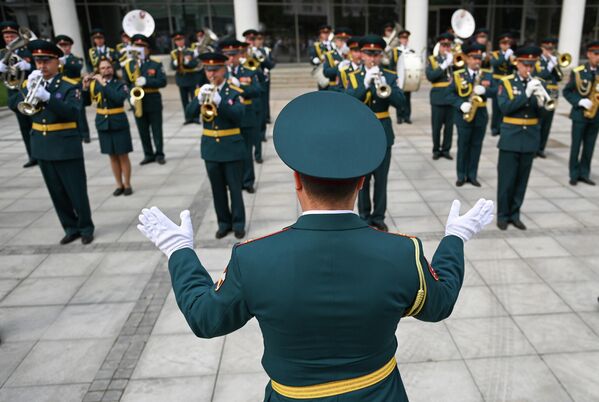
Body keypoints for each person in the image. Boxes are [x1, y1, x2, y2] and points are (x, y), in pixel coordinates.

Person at [137, 90, 494, 402]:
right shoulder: (403, 254)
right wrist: (455, 239)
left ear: (296, 181)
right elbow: (439, 304)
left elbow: (206, 319)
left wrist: (179, 251)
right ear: (362, 183)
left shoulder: (254, 259)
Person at [10, 39, 94, 244]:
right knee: (56, 192)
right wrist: (23, 89)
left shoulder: (68, 86)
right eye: (38, 61)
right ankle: (70, 226)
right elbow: (15, 106)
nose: (42, 66)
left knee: (76, 190)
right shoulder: (31, 82)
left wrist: (48, 97)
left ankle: (85, 227)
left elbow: (73, 112)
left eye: (46, 61)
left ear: (58, 62)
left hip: (66, 146)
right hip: (42, 145)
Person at [345, 35, 406, 232]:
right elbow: (348, 102)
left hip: (383, 133)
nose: (373, 58)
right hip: (361, 133)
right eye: (369, 53)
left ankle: (378, 216)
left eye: (377, 54)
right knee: (362, 179)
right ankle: (363, 216)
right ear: (361, 54)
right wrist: (364, 83)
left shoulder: (389, 76)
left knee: (381, 179)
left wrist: (385, 88)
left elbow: (401, 103)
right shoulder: (353, 76)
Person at [185, 52, 246, 239]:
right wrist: (198, 100)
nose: (211, 74)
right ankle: (223, 223)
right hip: (211, 148)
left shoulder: (234, 92)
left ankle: (238, 223)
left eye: (215, 70)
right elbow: (188, 115)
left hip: (231, 147)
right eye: (208, 70)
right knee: (217, 189)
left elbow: (239, 116)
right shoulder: (201, 91)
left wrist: (220, 103)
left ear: (224, 69)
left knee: (235, 188)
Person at [496, 46, 548, 231]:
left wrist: (542, 103)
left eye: (532, 65)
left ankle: (515, 214)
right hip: (511, 138)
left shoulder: (538, 82)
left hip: (530, 138)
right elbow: (505, 108)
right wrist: (526, 94)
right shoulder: (507, 83)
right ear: (517, 63)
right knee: (506, 180)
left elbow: (543, 114)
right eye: (525, 64)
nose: (528, 68)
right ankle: (502, 215)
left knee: (521, 181)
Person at [82, 58, 133, 196]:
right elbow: (85, 102)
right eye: (103, 68)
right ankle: (119, 184)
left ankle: (127, 183)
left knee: (123, 154)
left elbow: (118, 98)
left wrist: (104, 84)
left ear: (113, 69)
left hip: (118, 122)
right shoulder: (95, 85)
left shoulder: (120, 84)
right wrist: (85, 88)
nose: (106, 70)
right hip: (103, 123)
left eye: (108, 67)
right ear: (98, 70)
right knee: (112, 156)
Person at [447, 43, 496, 187]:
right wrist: (460, 104)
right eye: (474, 58)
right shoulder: (457, 75)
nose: (477, 61)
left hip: (480, 115)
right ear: (467, 59)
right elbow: (448, 95)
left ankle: (472, 175)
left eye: (479, 58)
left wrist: (486, 91)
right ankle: (461, 175)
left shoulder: (486, 74)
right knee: (463, 146)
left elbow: (497, 92)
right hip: (464, 116)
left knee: (476, 146)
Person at [221, 38, 262, 193]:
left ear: (239, 55)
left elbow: (257, 90)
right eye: (227, 55)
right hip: (227, 117)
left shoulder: (248, 71)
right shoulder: (220, 73)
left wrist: (240, 88)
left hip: (245, 116)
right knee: (230, 153)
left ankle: (248, 181)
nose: (230, 58)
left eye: (233, 54)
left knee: (246, 151)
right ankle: (233, 182)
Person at [123, 34, 167, 165]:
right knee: (142, 130)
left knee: (156, 129)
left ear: (148, 49)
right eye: (137, 46)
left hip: (152, 99)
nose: (140, 49)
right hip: (137, 101)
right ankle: (148, 154)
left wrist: (146, 81)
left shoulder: (156, 64)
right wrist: (129, 97)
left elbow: (163, 81)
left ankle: (159, 154)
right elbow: (125, 84)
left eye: (143, 47)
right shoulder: (128, 65)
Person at [563, 41, 599, 186]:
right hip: (579, 115)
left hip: (596, 115)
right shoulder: (578, 71)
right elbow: (566, 91)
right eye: (596, 54)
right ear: (588, 54)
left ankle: (584, 173)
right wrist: (579, 101)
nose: (598, 57)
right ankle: (574, 173)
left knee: (589, 146)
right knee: (576, 145)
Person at [0, 21, 35, 167]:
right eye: (6, 36)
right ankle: (32, 156)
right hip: (14, 93)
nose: (9, 39)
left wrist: (28, 66)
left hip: (29, 91)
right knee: (24, 127)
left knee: (35, 124)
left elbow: (40, 68)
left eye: (11, 36)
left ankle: (41, 153)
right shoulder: (2, 53)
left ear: (18, 36)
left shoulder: (28, 50)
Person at [55, 34, 91, 144]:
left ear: (70, 46)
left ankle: (85, 134)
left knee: (80, 110)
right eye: (61, 45)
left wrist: (64, 61)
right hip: (61, 89)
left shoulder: (76, 59)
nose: (64, 48)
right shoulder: (56, 60)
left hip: (75, 87)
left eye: (66, 45)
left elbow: (77, 66)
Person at [426, 33, 455, 160]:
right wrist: (444, 65)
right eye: (444, 45)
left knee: (449, 127)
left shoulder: (455, 59)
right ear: (439, 46)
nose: (446, 48)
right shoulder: (432, 60)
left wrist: (453, 63)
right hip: (438, 97)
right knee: (436, 127)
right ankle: (436, 150)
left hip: (452, 97)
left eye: (448, 46)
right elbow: (430, 76)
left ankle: (446, 149)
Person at [533, 38, 562, 159]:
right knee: (539, 121)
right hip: (542, 92)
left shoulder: (554, 61)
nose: (549, 51)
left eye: (551, 49)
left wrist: (556, 66)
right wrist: (550, 66)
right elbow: (541, 75)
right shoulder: (538, 61)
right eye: (547, 49)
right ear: (542, 49)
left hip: (553, 93)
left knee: (547, 123)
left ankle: (541, 148)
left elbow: (560, 77)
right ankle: (534, 148)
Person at [490, 32, 516, 137]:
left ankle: (502, 126)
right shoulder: (495, 54)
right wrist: (505, 56)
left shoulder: (511, 55)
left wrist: (512, 59)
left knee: (505, 105)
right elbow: (495, 64)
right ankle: (494, 127)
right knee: (496, 105)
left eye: (508, 43)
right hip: (497, 81)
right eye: (504, 43)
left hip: (508, 82)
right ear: (500, 44)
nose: (506, 45)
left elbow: (515, 67)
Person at [170, 32, 200, 121]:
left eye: (181, 40)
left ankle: (196, 117)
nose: (179, 42)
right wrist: (175, 63)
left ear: (184, 40)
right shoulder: (173, 53)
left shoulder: (191, 51)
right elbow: (172, 66)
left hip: (191, 78)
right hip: (181, 78)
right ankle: (187, 118)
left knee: (194, 99)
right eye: (177, 41)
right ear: (175, 42)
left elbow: (195, 63)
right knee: (184, 100)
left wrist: (188, 62)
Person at [255, 31, 275, 125]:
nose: (258, 41)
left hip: (264, 78)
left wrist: (262, 58)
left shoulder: (265, 50)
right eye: (256, 39)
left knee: (264, 100)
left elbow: (271, 64)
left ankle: (266, 117)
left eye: (260, 39)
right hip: (252, 79)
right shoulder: (246, 51)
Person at [322, 27, 352, 92]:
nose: (344, 43)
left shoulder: (352, 54)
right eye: (341, 40)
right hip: (335, 87)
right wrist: (338, 66)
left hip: (350, 87)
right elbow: (326, 72)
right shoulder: (330, 55)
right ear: (335, 41)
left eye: (346, 40)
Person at [309, 24, 333, 90]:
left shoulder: (333, 44)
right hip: (323, 72)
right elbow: (312, 57)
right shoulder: (316, 45)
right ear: (320, 34)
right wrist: (318, 60)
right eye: (323, 33)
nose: (326, 35)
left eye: (327, 33)